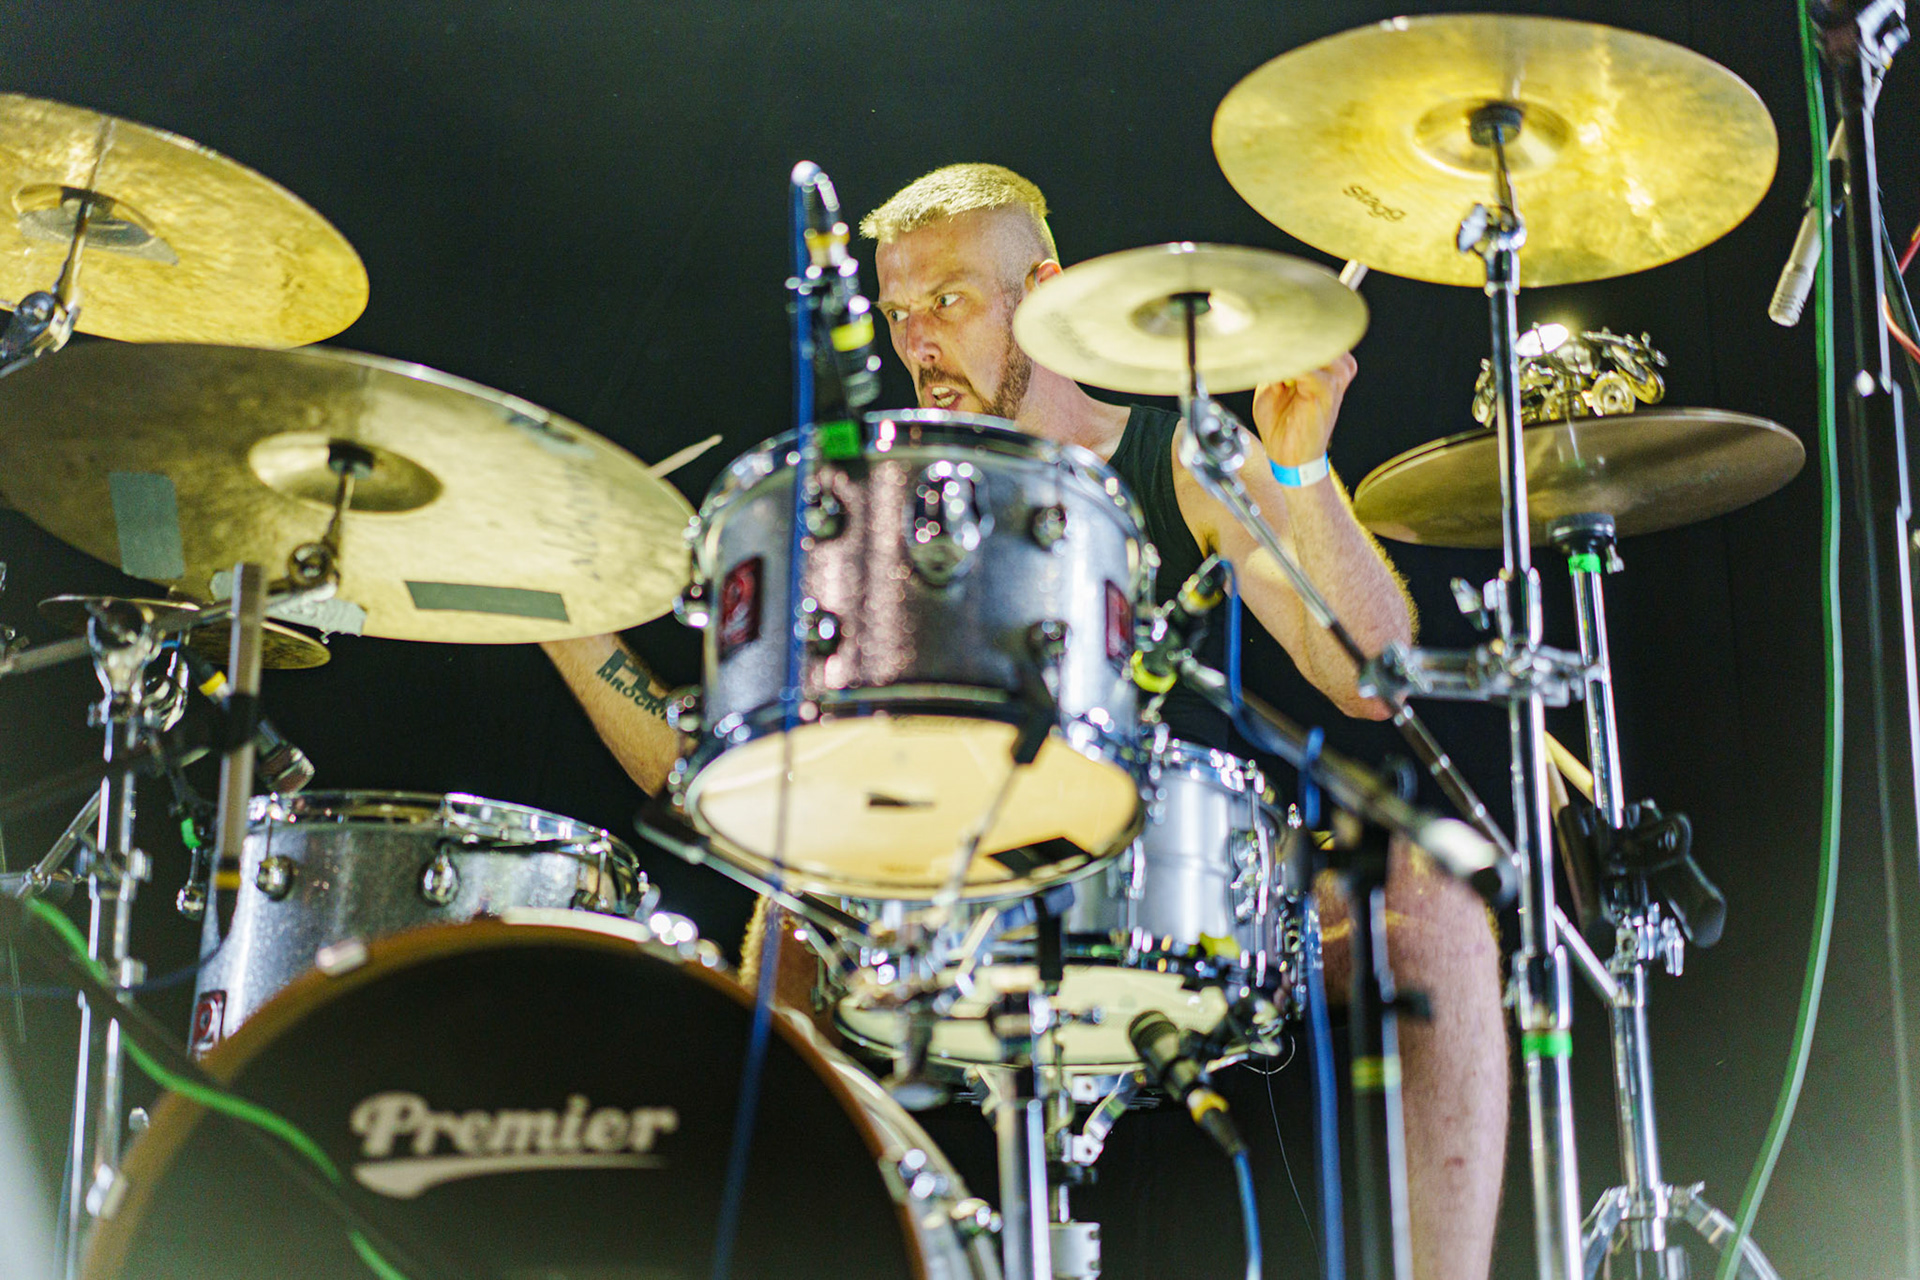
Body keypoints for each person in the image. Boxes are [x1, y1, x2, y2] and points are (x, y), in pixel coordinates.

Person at [547, 163, 1506, 1280]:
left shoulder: (1177, 459)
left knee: (1433, 908)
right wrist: (564, 619)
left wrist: (1300, 465)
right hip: (944, 878)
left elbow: (1368, 674)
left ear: (1043, 291)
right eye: (898, 313)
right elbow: (725, 777)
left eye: (946, 300)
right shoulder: (888, 505)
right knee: (785, 920)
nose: (917, 342)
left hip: (1174, 881)